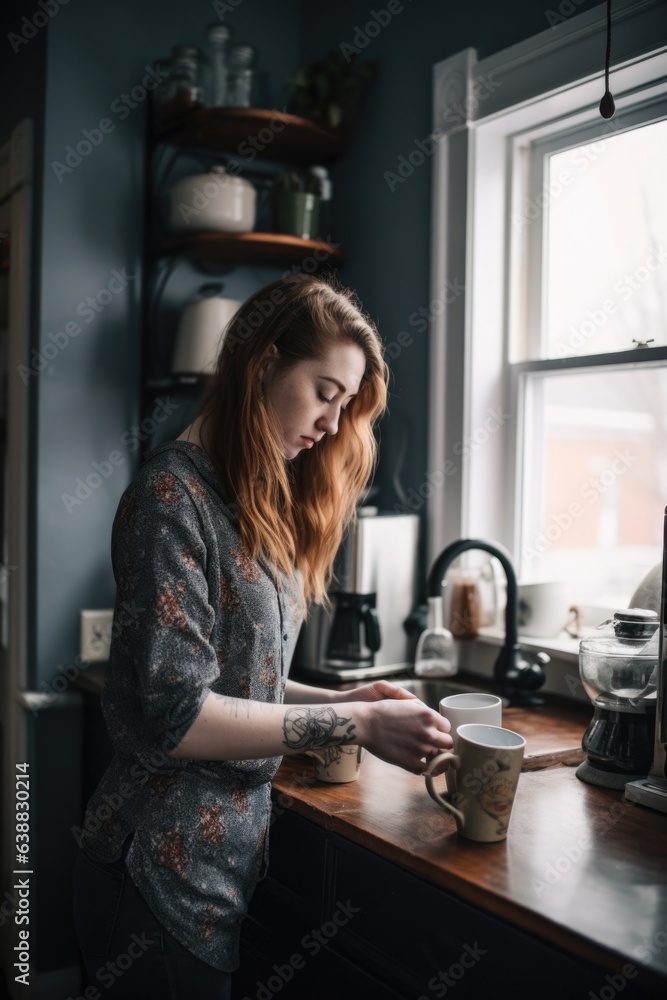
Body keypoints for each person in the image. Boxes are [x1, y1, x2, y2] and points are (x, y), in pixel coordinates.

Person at [71, 273, 452, 998]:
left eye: (346, 406)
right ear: (265, 362)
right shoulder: (168, 497)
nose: (333, 426)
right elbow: (179, 717)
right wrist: (358, 720)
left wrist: (341, 696)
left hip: (215, 878)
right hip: (152, 874)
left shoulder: (248, 495)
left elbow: (239, 680)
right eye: (325, 393)